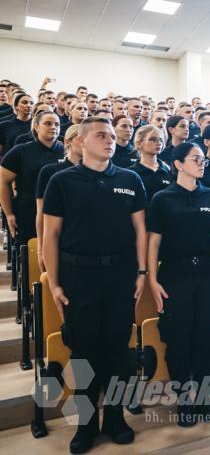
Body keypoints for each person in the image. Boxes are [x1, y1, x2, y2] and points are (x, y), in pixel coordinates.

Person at [42, 117, 148, 453]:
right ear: (81, 141)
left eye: (112, 136)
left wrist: (142, 272)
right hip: (79, 277)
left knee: (118, 351)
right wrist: (55, 284)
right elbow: (51, 235)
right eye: (101, 135)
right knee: (83, 353)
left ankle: (115, 419)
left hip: (120, 276)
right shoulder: (61, 181)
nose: (110, 141)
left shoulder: (130, 179)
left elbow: (141, 231)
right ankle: (85, 425)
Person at [146, 142, 210, 426]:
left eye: (203, 159)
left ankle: (204, 398)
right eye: (196, 159)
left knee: (207, 338)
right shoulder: (162, 198)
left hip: (207, 273)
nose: (202, 163)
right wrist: (152, 279)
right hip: (175, 275)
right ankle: (184, 401)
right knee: (178, 339)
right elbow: (153, 241)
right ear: (178, 164)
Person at [0, 111, 64, 287]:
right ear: (36, 126)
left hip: (60, 211)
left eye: (57, 124)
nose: (54, 127)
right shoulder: (21, 150)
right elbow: (3, 182)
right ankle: (33, 296)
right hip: (28, 209)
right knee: (33, 258)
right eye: (48, 123)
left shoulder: (66, 149)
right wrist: (9, 213)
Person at [35, 125, 81, 273]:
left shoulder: (98, 172)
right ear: (68, 142)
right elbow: (41, 213)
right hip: (62, 241)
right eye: (80, 138)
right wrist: (41, 248)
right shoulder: (50, 171)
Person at [129, 125, 171, 204]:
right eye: (153, 139)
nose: (159, 143)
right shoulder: (131, 172)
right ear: (139, 143)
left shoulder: (168, 170)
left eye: (161, 140)